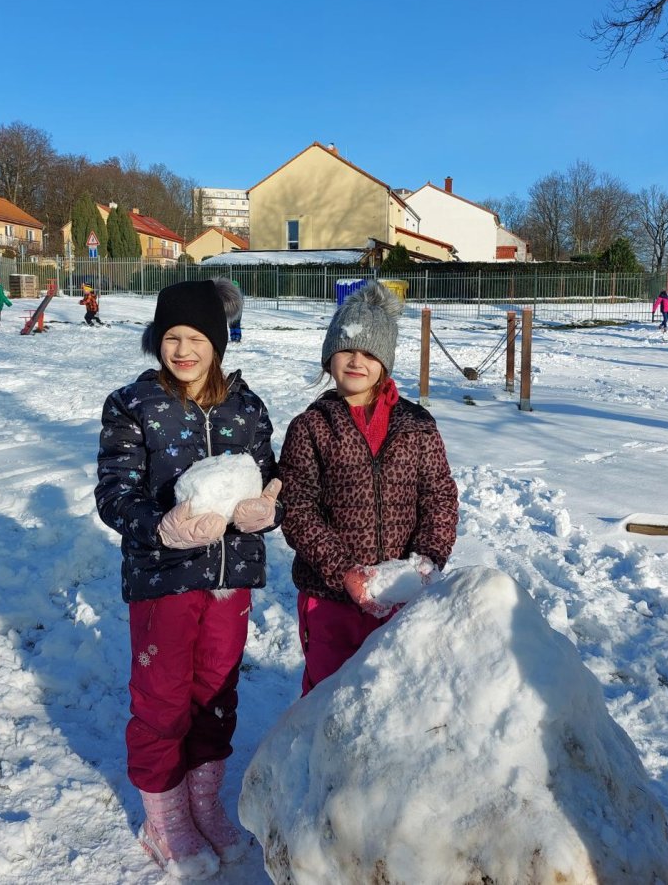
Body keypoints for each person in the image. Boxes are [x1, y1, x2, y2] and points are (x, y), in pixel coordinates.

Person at [95, 278, 281, 880]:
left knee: (216, 694)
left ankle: (203, 802)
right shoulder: (133, 405)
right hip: (164, 577)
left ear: (217, 344)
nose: (183, 350)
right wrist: (161, 527)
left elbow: (271, 477)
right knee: (164, 697)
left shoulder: (247, 408)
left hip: (230, 577)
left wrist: (268, 507)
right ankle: (165, 815)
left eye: (197, 337)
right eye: (171, 336)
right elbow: (114, 493)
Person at [278, 281, 459, 695]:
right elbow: (298, 508)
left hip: (401, 594)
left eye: (370, 352)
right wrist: (345, 572)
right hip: (329, 598)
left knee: (393, 695)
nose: (357, 360)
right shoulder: (311, 427)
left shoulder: (417, 425)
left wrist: (426, 562)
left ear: (385, 361)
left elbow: (439, 496)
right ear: (329, 356)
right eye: (346, 349)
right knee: (328, 695)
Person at [228, 278, 243, 342]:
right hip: (230, 311)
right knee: (231, 324)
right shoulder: (229, 292)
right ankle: (233, 336)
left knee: (236, 324)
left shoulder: (239, 293)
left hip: (237, 311)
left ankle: (237, 337)